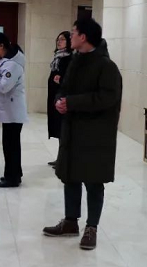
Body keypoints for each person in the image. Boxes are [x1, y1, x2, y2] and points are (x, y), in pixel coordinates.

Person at [43, 18, 122, 251]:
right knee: (70, 175)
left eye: (73, 32)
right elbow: (64, 88)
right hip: (73, 130)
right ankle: (70, 221)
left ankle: (91, 227)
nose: (70, 36)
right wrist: (60, 100)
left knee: (94, 181)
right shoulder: (76, 61)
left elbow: (107, 98)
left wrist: (72, 103)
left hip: (96, 134)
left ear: (84, 37)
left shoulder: (107, 66)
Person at [0, 33, 27, 188]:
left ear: (1, 46)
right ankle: (13, 174)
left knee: (11, 146)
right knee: (10, 145)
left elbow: (3, 86)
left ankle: (12, 177)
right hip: (9, 111)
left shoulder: (13, 65)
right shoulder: (3, 61)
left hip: (13, 112)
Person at [47, 31, 72, 167]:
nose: (59, 41)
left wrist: (61, 80)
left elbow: (70, 79)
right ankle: (60, 158)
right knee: (58, 128)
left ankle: (64, 159)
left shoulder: (70, 58)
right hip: (55, 96)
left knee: (63, 130)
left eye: (62, 39)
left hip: (63, 98)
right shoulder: (57, 57)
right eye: (58, 39)